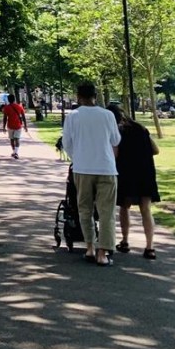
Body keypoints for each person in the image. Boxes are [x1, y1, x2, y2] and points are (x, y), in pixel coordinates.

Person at [61, 82, 121, 266]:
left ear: (78, 96)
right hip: (106, 167)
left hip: (83, 168)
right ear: (95, 95)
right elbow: (115, 140)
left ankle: (89, 247)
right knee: (106, 212)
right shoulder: (108, 115)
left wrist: (76, 157)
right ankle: (103, 252)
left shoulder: (73, 116)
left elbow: (67, 142)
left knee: (84, 209)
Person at [110, 105, 160, 259]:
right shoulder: (141, 128)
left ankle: (125, 241)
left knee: (124, 207)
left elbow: (114, 153)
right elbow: (155, 150)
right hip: (145, 171)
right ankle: (150, 247)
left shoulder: (117, 131)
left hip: (125, 172)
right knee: (146, 209)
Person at [1, 92, 30, 159]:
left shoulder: (6, 108)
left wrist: (3, 127)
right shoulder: (19, 106)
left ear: (8, 100)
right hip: (18, 125)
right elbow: (23, 117)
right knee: (17, 139)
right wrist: (25, 126)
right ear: (14, 99)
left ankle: (14, 152)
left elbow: (5, 118)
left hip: (10, 126)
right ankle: (16, 152)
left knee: (11, 140)